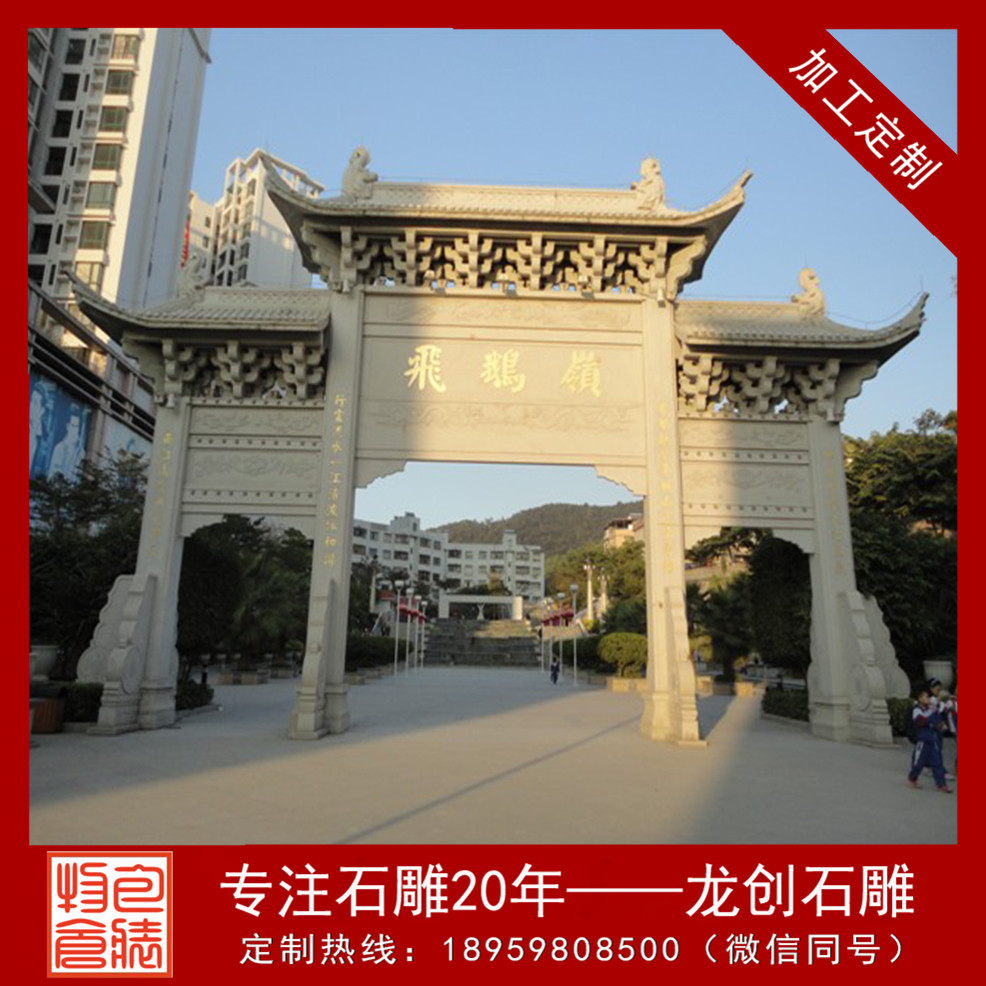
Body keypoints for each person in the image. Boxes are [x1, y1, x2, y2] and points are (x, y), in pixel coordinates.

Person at [907, 687, 952, 793]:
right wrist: (931, 715)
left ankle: (941, 784)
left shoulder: (931, 709)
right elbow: (920, 721)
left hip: (932, 740)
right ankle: (912, 778)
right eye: (925, 697)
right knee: (919, 762)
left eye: (928, 697)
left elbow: (938, 718)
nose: (928, 699)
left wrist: (941, 724)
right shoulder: (917, 710)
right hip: (923, 740)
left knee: (937, 762)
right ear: (919, 699)